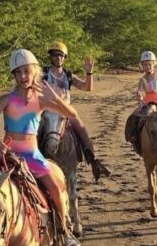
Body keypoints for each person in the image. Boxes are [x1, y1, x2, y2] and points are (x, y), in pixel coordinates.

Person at [0, 48, 81, 246]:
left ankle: (64, 231)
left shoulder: (41, 100)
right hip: (7, 156)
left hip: (32, 155)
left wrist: (55, 96)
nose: (23, 76)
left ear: (34, 71)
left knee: (54, 185)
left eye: (26, 71)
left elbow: (72, 113)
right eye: (18, 72)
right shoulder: (6, 99)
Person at [41, 41, 111, 181]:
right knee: (36, 131)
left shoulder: (68, 75)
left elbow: (87, 87)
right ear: (51, 56)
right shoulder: (44, 73)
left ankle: (93, 161)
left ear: (65, 57)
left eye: (61, 55)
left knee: (82, 131)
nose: (58, 57)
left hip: (66, 111)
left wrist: (89, 72)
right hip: (47, 111)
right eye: (55, 55)